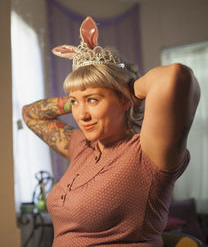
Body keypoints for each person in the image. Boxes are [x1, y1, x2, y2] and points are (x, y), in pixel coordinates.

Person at [22, 16, 200, 246]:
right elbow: (30, 114)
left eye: (93, 100)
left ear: (125, 101)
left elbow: (175, 76)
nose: (81, 115)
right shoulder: (82, 147)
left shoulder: (146, 153)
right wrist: (80, 94)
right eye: (75, 103)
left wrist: (126, 88)